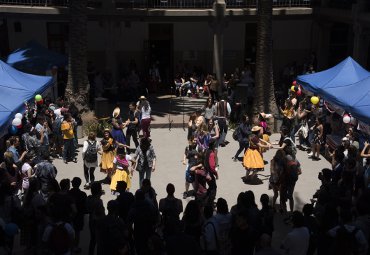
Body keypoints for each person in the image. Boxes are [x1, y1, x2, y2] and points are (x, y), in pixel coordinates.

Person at [68, 177, 87, 254]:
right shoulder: (83, 194)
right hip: (79, 216)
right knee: (77, 232)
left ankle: (70, 247)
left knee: (68, 232)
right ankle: (75, 247)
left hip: (69, 216)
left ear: (72, 184)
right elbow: (85, 207)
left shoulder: (68, 193)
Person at [86, 182, 105, 255]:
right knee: (99, 241)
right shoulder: (99, 201)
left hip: (91, 220)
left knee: (93, 240)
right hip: (98, 222)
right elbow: (101, 214)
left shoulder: (89, 198)